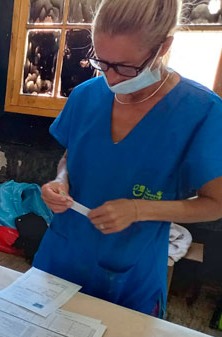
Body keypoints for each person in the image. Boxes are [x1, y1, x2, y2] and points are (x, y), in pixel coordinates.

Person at [34, 0, 222, 317]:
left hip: (129, 267)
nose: (111, 79)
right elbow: (71, 156)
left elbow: (215, 202)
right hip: (63, 251)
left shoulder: (201, 111)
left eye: (124, 67)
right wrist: (60, 180)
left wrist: (138, 209)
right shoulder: (86, 96)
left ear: (164, 46)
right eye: (101, 63)